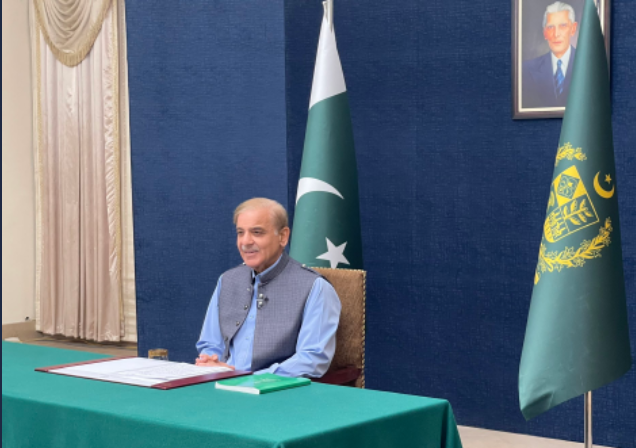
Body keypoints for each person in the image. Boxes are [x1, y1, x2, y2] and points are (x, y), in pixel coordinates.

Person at [195, 198, 341, 377]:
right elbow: (210, 344)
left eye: (257, 232)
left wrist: (252, 379)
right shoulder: (227, 280)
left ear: (283, 236)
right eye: (240, 233)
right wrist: (212, 363)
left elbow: (312, 359)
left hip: (277, 389)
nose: (245, 241)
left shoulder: (315, 287)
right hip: (221, 384)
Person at [522, 1, 578, 108]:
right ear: (544, 33)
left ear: (573, 29)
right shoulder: (526, 70)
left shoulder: (589, 65)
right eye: (551, 27)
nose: (556, 34)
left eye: (563, 26)